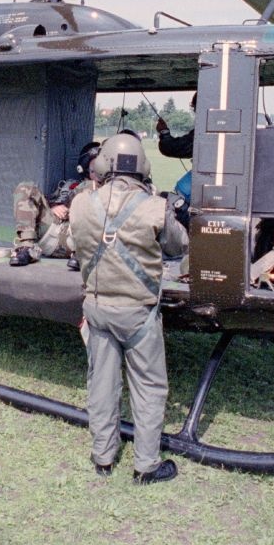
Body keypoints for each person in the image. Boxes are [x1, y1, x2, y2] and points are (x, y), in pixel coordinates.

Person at [69, 131, 188, 484]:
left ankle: (103, 458)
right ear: (143, 166)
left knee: (101, 385)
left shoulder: (80, 204)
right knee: (149, 388)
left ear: (103, 164)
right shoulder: (155, 207)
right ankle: (146, 465)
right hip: (138, 314)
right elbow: (178, 246)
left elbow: (73, 243)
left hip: (97, 310)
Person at [11, 142, 100, 267]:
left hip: (77, 241)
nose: (98, 171)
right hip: (51, 232)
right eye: (94, 167)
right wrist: (53, 207)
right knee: (25, 187)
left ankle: (82, 252)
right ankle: (26, 247)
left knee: (90, 186)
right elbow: (42, 202)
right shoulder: (71, 185)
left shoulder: (110, 192)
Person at [155, 93, 196, 159]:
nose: (194, 111)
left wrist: (164, 132)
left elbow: (174, 148)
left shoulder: (202, 134)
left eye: (195, 108)